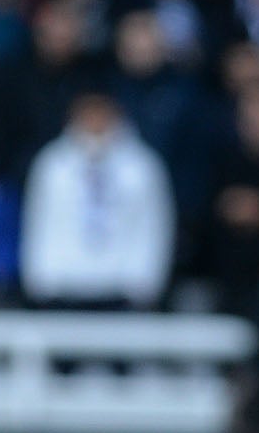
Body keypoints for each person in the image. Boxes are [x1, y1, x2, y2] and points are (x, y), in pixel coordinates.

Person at [19, 91, 177, 310]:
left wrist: (147, 280)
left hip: (123, 287)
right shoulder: (53, 163)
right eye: (88, 114)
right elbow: (38, 221)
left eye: (101, 113)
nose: (95, 120)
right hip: (63, 286)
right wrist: (39, 278)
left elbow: (154, 225)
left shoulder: (142, 165)